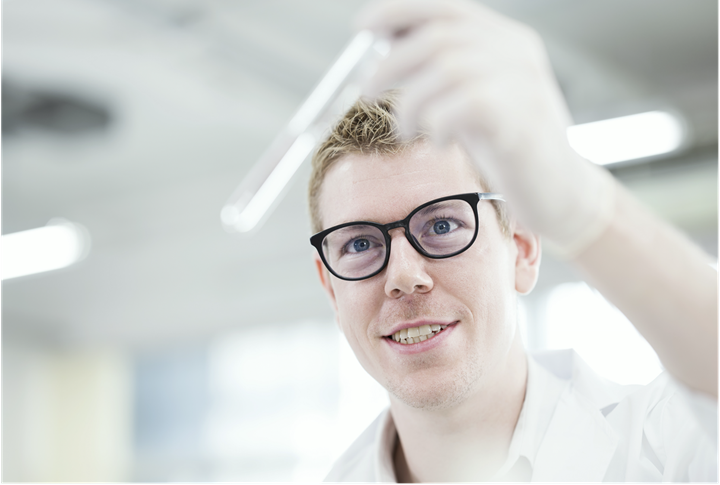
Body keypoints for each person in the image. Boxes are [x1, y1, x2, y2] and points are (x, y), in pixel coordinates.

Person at [307, 0, 718, 482]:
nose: (402, 276)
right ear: (332, 289)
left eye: (441, 226)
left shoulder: (660, 446)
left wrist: (590, 210)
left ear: (522, 247)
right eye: (359, 245)